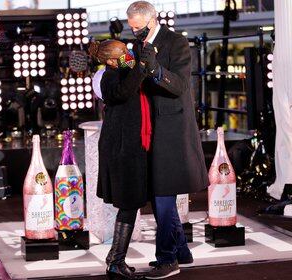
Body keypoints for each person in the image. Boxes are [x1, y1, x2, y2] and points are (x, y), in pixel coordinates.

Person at [127, 1, 209, 279]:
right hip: (148, 128)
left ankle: (167, 259)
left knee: (163, 195)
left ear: (152, 21)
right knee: (158, 194)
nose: (134, 32)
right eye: (132, 28)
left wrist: (155, 70)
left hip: (172, 129)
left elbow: (181, 86)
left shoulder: (176, 43)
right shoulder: (137, 46)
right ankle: (182, 251)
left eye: (138, 28)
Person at [89, 40, 149, 279]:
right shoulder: (108, 78)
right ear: (111, 60)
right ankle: (115, 261)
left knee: (130, 203)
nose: (129, 55)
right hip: (121, 147)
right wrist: (140, 66)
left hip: (125, 145)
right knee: (129, 203)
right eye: (123, 53)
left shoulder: (121, 72)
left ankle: (116, 259)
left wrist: (138, 65)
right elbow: (124, 92)